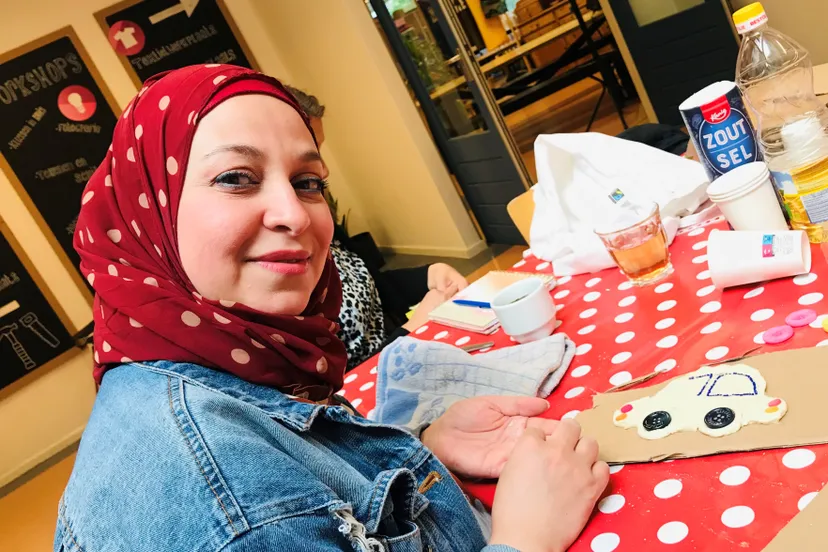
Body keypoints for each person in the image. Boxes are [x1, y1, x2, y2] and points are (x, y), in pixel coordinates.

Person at [55, 65, 608, 552]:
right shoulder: (230, 509)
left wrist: (420, 448)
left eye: (307, 182)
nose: (295, 215)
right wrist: (527, 538)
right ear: (145, 214)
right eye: (236, 179)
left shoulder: (228, 361)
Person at [285, 85, 469, 369]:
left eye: (319, 151)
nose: (325, 170)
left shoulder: (320, 219)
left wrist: (430, 274)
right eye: (310, 154)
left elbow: (370, 285)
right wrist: (413, 328)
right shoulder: (281, 266)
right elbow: (337, 380)